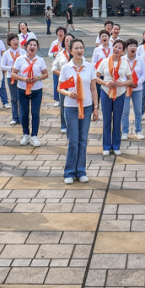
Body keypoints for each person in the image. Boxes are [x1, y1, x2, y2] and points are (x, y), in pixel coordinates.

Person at [58, 39, 99, 183]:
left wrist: (95, 107)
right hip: (71, 108)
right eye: (76, 48)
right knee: (73, 141)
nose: (79, 50)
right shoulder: (66, 68)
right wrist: (68, 93)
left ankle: (81, 171)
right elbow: (60, 88)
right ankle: (69, 172)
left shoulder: (89, 67)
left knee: (83, 140)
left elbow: (93, 88)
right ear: (70, 51)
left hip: (87, 107)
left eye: (81, 47)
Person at [95, 40, 131, 156]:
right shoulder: (104, 62)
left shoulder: (125, 63)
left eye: (120, 48)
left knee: (117, 120)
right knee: (106, 120)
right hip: (106, 92)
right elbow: (96, 77)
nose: (117, 49)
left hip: (120, 93)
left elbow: (131, 80)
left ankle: (116, 145)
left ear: (123, 51)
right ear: (112, 47)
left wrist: (121, 83)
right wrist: (106, 83)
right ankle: (106, 146)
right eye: (115, 47)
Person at [12, 37, 47, 147]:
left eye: (34, 45)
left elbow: (46, 74)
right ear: (26, 47)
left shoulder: (40, 60)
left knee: (35, 112)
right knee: (24, 112)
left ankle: (34, 136)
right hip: (22, 89)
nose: (32, 47)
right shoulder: (20, 59)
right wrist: (23, 79)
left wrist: (38, 77)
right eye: (30, 45)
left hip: (36, 90)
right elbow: (13, 74)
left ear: (37, 48)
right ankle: (25, 134)